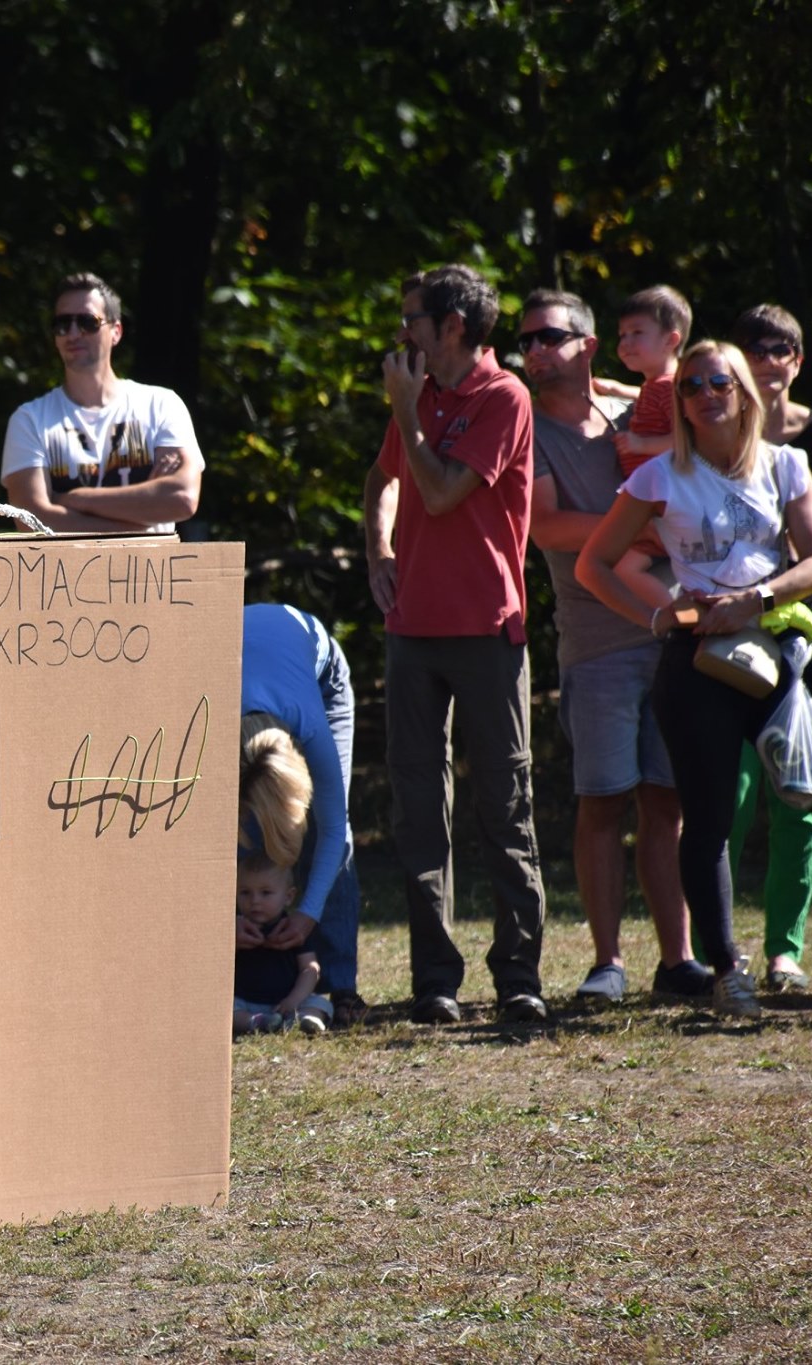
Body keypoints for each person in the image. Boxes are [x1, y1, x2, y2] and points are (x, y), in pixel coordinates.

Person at [576, 340, 812, 1017]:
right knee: (706, 821)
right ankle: (729, 973)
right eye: (693, 385)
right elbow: (596, 563)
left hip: (777, 661)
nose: (707, 393)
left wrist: (757, 601)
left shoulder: (787, 464)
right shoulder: (658, 477)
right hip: (698, 667)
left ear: (743, 392)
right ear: (682, 403)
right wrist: (659, 616)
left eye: (719, 381)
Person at [361, 264, 548, 1024]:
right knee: (417, 810)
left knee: (504, 807)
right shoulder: (420, 394)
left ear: (455, 326)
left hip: (487, 633)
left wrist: (407, 413)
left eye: (414, 318)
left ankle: (518, 978)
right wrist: (380, 553)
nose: (403, 333)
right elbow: (386, 482)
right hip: (413, 632)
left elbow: (438, 491)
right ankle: (435, 979)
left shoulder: (504, 397)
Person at [518, 289, 710, 1007]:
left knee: (665, 803)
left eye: (549, 336)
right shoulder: (531, 429)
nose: (534, 350)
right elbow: (547, 527)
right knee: (602, 801)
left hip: (674, 635)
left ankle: (679, 958)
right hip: (596, 642)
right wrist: (643, 530)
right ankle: (607, 961)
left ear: (590, 344)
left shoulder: (637, 410)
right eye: (526, 339)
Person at [722, 305, 812, 991]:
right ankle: (721, 952)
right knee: (730, 791)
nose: (770, 359)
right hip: (730, 633)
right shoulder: (711, 432)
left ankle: (784, 952)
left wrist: (763, 595)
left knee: (797, 792)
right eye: (756, 348)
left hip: (803, 625)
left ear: (798, 360)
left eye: (784, 348)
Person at [236, 603, 366, 1023]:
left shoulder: (309, 724)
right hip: (242, 673)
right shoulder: (203, 724)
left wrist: (308, 912)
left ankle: (341, 985)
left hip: (319, 676)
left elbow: (332, 827)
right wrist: (219, 919)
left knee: (335, 836)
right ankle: (242, 976)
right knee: (245, 829)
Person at [1, 271, 202, 533]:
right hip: (66, 575)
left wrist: (73, 499)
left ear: (116, 331)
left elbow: (182, 499)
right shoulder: (29, 420)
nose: (73, 333)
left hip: (152, 574)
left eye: (87, 322)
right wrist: (144, 519)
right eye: (62, 324)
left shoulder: (161, 405)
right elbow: (33, 522)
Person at [599, 286, 691, 614]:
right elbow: (649, 394)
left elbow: (690, 438)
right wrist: (618, 389)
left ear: (671, 339)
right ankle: (687, 618)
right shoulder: (661, 384)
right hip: (655, 503)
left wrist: (643, 445)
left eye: (637, 333)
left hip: (663, 506)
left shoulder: (670, 387)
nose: (625, 343)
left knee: (624, 568)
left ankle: (685, 621)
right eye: (622, 335)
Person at [232, 852, 329, 1036]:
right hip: (244, 1001)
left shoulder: (293, 929)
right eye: (245, 893)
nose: (255, 901)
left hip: (288, 1001)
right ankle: (256, 1022)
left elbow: (310, 969)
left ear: (288, 896)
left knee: (320, 1003)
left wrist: (293, 1000)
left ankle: (305, 1020)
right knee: (223, 1008)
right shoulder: (236, 929)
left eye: (265, 893)